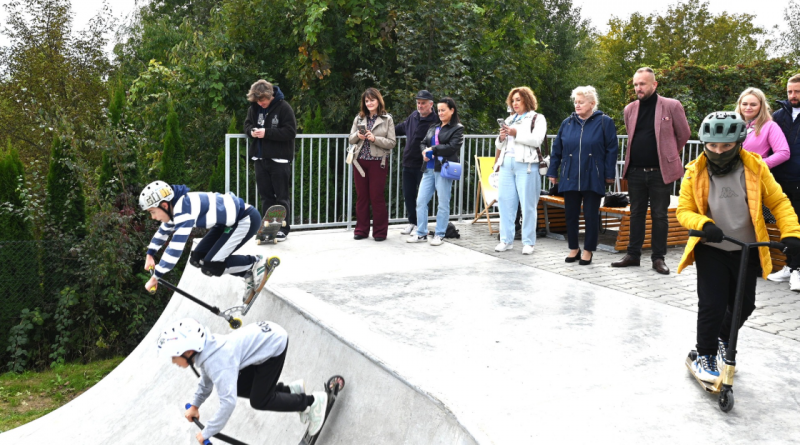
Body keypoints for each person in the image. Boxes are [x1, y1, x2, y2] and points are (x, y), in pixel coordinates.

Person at [675, 112, 800, 382]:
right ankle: (705, 354)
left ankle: (722, 338)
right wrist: (703, 223)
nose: (718, 151)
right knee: (712, 304)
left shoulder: (755, 168)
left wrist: (792, 234)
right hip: (712, 247)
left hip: (747, 248)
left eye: (726, 146)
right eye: (712, 146)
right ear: (705, 143)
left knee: (745, 305)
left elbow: (779, 202)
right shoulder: (694, 171)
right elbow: (683, 210)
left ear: (739, 143)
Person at [158, 318, 328, 444]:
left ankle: (312, 403)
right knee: (238, 385)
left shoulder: (217, 363)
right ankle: (290, 392)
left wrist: (208, 431)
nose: (173, 362)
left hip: (273, 345)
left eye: (174, 357)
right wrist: (195, 405)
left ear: (187, 352)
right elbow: (206, 381)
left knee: (260, 400)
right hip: (263, 339)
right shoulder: (207, 350)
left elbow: (228, 403)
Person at [613, 67, 691, 275]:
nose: (638, 88)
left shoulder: (671, 105)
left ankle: (658, 258)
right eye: (636, 84)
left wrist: (669, 155)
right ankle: (633, 255)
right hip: (636, 171)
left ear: (654, 84)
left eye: (642, 84)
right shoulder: (630, 109)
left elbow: (684, 134)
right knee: (636, 213)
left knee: (660, 215)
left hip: (660, 172)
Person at [140, 181, 268, 303]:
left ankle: (254, 263)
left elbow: (174, 249)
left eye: (153, 212)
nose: (153, 217)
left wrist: (155, 277)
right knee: (197, 258)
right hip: (225, 224)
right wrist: (150, 254)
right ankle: (247, 273)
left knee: (211, 265)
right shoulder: (176, 207)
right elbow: (163, 231)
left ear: (164, 206)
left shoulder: (184, 211)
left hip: (245, 219)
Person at [546, 86, 618, 265]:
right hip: (570, 175)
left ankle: (588, 250)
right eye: (575, 102)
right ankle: (574, 248)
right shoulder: (567, 123)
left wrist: (609, 175)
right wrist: (553, 171)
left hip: (593, 175)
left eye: (581, 102)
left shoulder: (604, 122)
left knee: (591, 215)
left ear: (592, 104)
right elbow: (557, 150)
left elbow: (612, 150)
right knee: (570, 214)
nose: (577, 105)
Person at [493, 87, 547, 255]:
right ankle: (506, 240)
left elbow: (537, 140)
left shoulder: (537, 118)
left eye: (518, 100)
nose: (515, 103)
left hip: (527, 164)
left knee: (528, 204)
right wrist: (501, 137)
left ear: (527, 100)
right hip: (507, 163)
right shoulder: (509, 119)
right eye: (513, 100)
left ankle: (528, 242)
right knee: (505, 202)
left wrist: (516, 133)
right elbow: (499, 145)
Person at [243, 80, 297, 242]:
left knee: (281, 196)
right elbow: (247, 125)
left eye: (263, 100)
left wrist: (267, 133)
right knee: (266, 196)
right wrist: (251, 132)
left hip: (279, 159)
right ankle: (269, 227)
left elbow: (290, 131)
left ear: (270, 95)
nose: (261, 103)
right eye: (258, 101)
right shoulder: (254, 108)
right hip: (260, 158)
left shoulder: (284, 107)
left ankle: (283, 228)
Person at [407, 97, 464, 246]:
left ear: (452, 110)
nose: (440, 113)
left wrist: (433, 149)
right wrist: (424, 153)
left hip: (443, 169)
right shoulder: (434, 126)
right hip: (429, 169)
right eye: (438, 110)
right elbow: (423, 142)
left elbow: (452, 147)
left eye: (443, 110)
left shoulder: (457, 128)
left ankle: (439, 234)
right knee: (421, 201)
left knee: (443, 203)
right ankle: (421, 233)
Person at [735, 87, 790, 224]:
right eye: (745, 104)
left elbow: (783, 153)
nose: (748, 107)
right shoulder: (732, 124)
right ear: (739, 105)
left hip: (753, 179)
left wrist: (758, 164)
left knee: (752, 220)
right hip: (730, 177)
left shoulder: (769, 126)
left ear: (761, 106)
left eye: (753, 104)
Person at [347, 88, 396, 241]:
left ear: (378, 100)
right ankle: (361, 230)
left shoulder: (387, 119)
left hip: (378, 162)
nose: (369, 103)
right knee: (362, 197)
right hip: (359, 162)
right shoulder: (359, 118)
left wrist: (375, 139)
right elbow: (351, 139)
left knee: (377, 197)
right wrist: (358, 135)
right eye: (367, 101)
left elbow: (392, 142)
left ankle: (380, 232)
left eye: (372, 100)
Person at [767, 73, 800, 291]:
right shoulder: (779, 115)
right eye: (790, 91)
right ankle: (790, 267)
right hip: (781, 179)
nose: (792, 95)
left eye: (797, 91)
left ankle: (797, 270)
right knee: (786, 223)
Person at [395, 90, 440, 236]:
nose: (420, 106)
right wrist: (384, 130)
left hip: (424, 165)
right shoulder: (413, 116)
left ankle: (421, 226)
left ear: (431, 104)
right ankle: (412, 222)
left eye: (423, 103)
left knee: (422, 198)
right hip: (408, 162)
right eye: (418, 103)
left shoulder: (436, 120)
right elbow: (400, 128)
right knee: (408, 195)